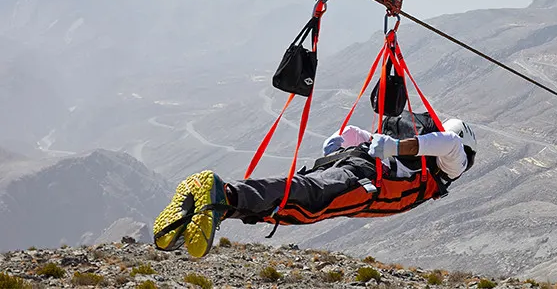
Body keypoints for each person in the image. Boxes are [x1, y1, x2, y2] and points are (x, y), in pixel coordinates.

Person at [152, 108, 477, 258]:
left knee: (298, 204)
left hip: (360, 166)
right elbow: (449, 143)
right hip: (368, 181)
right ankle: (220, 193)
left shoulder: (419, 157)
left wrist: (345, 140)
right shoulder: (452, 159)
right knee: (307, 201)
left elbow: (358, 136)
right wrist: (394, 148)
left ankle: (214, 206)